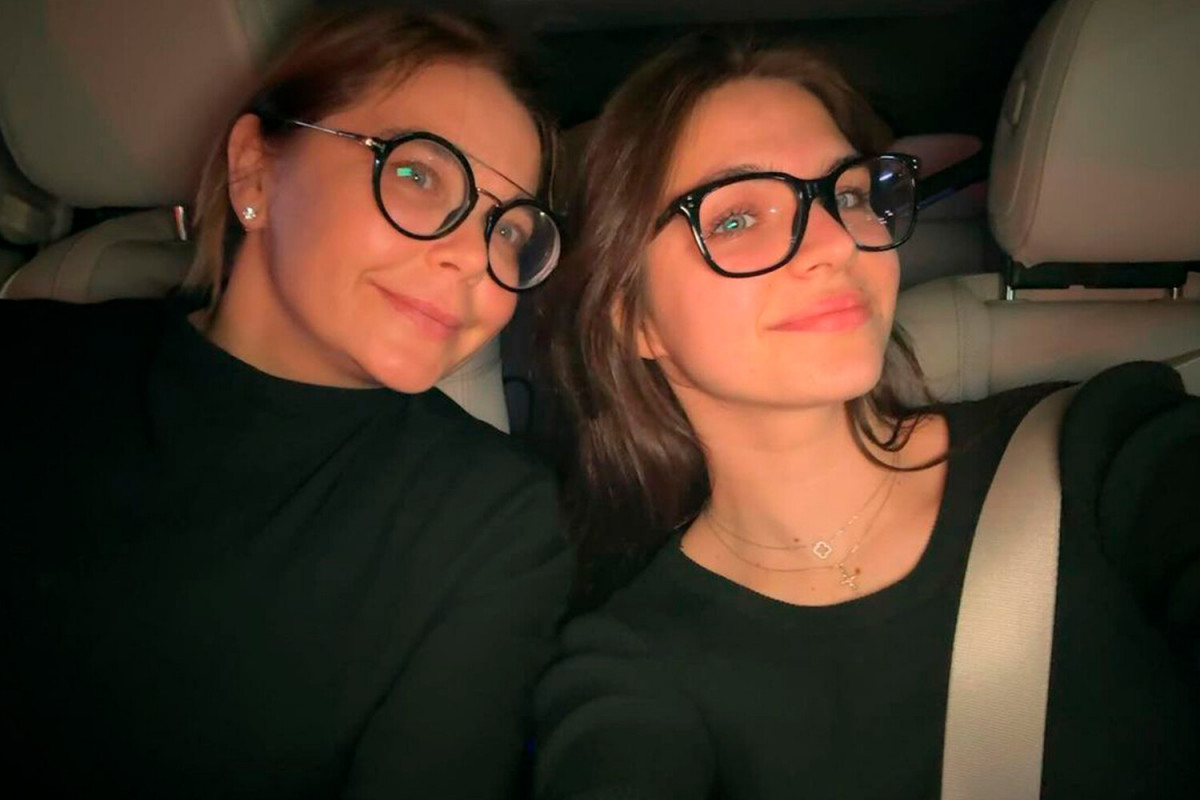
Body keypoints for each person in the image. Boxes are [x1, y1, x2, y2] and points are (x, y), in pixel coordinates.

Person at [534, 34, 1200, 800]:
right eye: (737, 218)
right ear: (632, 319)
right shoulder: (630, 665)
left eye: (849, 195)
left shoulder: (1100, 445)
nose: (835, 242)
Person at [0, 7, 569, 798]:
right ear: (255, 173)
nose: (474, 258)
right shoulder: (29, 364)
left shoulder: (487, 522)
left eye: (507, 229)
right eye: (417, 174)